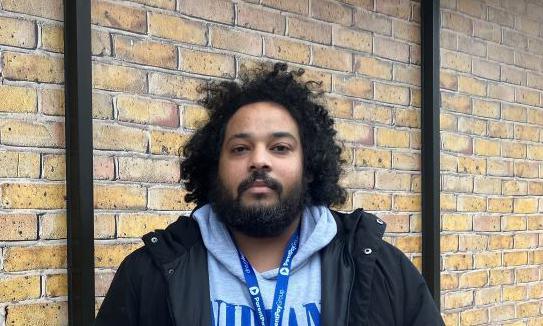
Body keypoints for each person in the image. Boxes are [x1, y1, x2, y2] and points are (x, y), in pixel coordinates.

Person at [95, 63, 444, 326]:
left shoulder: (380, 268)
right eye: (240, 148)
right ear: (214, 165)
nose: (259, 160)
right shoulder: (150, 274)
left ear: (309, 164)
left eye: (279, 147)